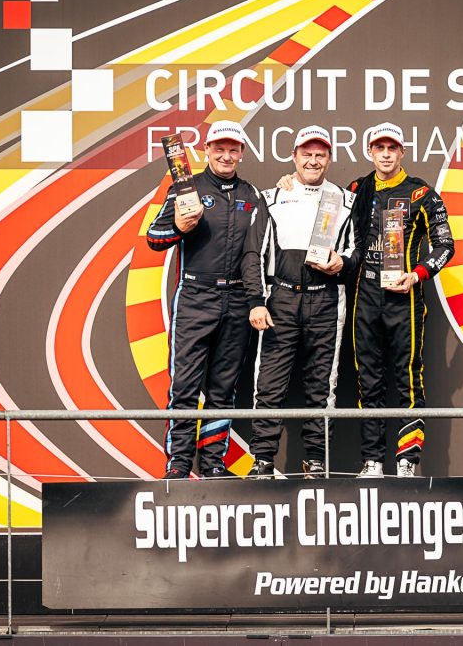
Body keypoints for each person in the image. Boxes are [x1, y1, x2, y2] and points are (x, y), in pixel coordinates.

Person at [146, 120, 265, 479]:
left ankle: (213, 462)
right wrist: (179, 227)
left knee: (223, 388)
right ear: (208, 150)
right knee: (184, 386)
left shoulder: (251, 194)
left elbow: (255, 252)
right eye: (220, 148)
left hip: (237, 298)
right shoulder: (187, 188)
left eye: (233, 149)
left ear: (241, 153)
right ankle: (178, 465)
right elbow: (154, 238)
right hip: (195, 296)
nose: (226, 155)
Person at [243, 126, 357, 479]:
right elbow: (252, 253)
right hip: (281, 298)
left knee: (323, 384)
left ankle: (316, 461)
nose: (313, 160)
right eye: (306, 154)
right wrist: (256, 300)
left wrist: (343, 263)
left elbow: (357, 250)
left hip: (327, 299)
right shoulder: (272, 197)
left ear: (330, 159)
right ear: (294, 157)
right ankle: (262, 459)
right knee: (269, 382)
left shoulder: (345, 200)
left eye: (320, 154)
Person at [346, 122, 455, 478]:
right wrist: (288, 181)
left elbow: (445, 245)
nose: (386, 154)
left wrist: (417, 275)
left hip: (404, 298)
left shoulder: (421, 192)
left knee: (409, 379)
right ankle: (372, 461)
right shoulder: (356, 189)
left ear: (402, 152)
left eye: (392, 148)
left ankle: (407, 461)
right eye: (379, 147)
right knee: (368, 380)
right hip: (365, 296)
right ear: (370, 151)